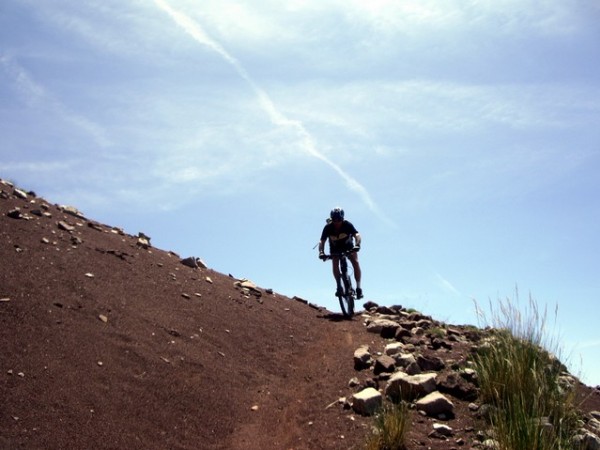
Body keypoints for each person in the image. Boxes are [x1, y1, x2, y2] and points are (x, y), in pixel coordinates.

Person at [318, 207, 363, 299]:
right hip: (335, 248)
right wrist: (321, 252)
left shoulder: (347, 225)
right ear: (332, 219)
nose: (337, 222)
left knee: (355, 262)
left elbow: (357, 235)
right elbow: (322, 241)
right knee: (335, 264)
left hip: (349, 246)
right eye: (334, 219)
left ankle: (358, 288)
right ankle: (339, 286)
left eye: (339, 219)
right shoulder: (328, 227)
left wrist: (357, 244)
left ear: (342, 218)